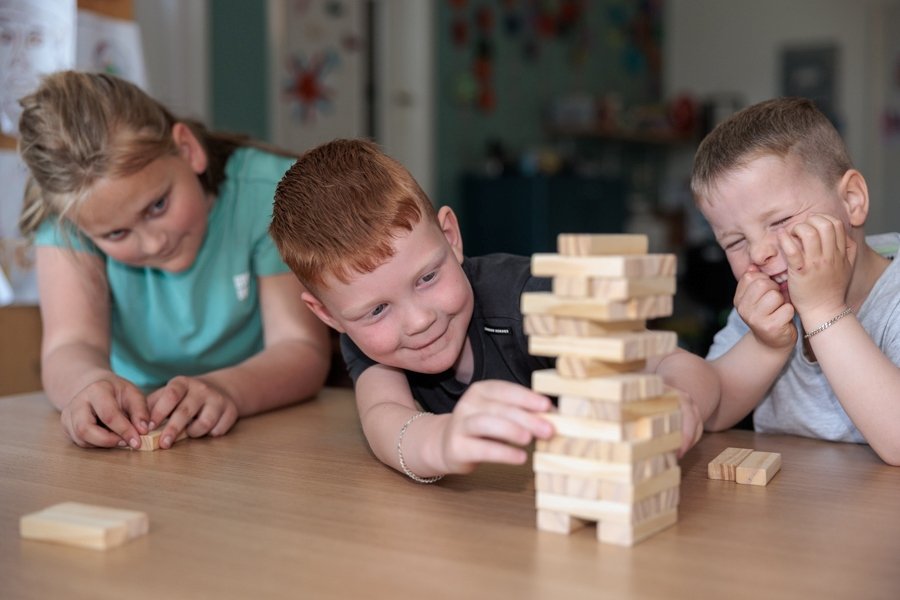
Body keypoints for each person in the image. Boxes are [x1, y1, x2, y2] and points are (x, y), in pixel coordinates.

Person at [270, 138, 717, 482]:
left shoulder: (529, 297)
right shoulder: (370, 348)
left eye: (427, 278)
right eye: (377, 311)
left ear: (451, 236)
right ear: (328, 316)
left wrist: (678, 399)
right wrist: (442, 441)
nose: (418, 320)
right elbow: (386, 421)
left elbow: (670, 361)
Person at [17, 70, 331, 450]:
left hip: (261, 418)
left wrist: (224, 388)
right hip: (139, 423)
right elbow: (70, 345)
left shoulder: (269, 192)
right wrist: (87, 386)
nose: (153, 242)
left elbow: (302, 350)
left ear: (187, 150)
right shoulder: (66, 223)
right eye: (116, 234)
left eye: (158, 205)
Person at [692, 97, 900, 465]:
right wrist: (765, 344)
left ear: (852, 201)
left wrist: (822, 310)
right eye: (736, 242)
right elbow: (714, 410)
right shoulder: (765, 305)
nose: (758, 254)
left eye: (779, 221)